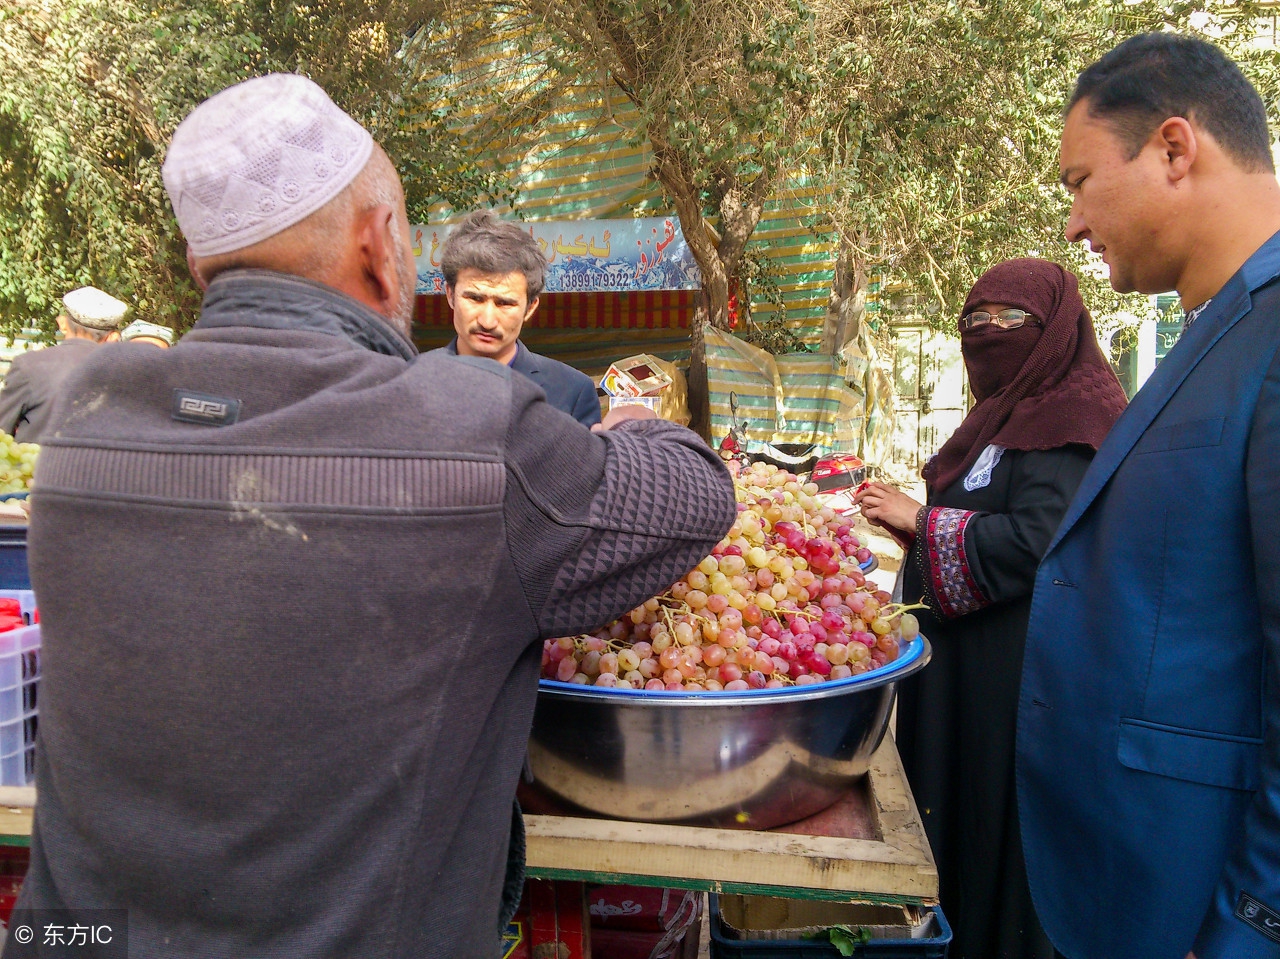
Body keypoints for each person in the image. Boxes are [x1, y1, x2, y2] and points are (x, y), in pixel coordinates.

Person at [7, 73, 736, 959]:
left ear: (205, 266)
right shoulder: (468, 433)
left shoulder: (87, 426)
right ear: (385, 247)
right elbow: (694, 494)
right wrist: (631, 419)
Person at [1017, 33, 1280, 959]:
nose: (1074, 225)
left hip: (1202, 909)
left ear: (1174, 149)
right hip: (1129, 884)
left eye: (1080, 182)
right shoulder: (1219, 328)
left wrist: (1254, 920)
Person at [854, 258, 1127, 959]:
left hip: (1016, 683)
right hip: (965, 677)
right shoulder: (1005, 413)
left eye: (1012, 321)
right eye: (976, 321)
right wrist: (923, 524)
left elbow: (1044, 539)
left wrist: (925, 521)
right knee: (950, 823)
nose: (990, 333)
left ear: (1056, 328)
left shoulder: (1073, 415)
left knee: (992, 829)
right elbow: (989, 511)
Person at [434, 210, 602, 426]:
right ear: (450, 295)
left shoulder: (572, 392)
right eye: (475, 298)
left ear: (530, 308)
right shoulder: (411, 381)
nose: (487, 320)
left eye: (504, 303)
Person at [0, 287, 126, 442]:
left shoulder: (29, 365)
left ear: (62, 323)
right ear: (113, 337)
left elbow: (3, 427)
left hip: (40, 465)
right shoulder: (127, 375)